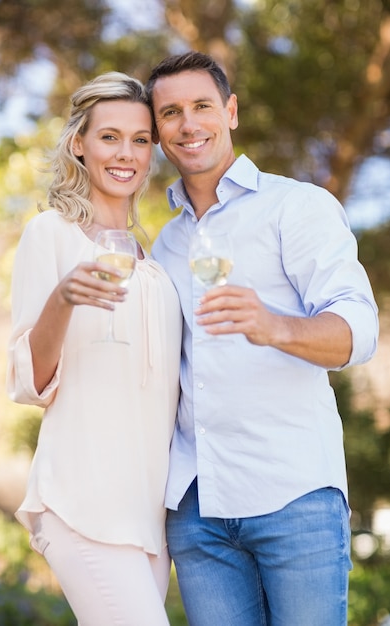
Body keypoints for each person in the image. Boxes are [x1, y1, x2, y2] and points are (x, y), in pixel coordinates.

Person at [145, 51, 379, 626]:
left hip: (293, 494)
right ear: (155, 132)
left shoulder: (295, 206)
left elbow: (360, 331)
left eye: (202, 106)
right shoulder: (163, 246)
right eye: (170, 112)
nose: (188, 124)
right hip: (197, 508)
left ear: (230, 112)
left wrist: (273, 325)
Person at [7, 71, 181, 626]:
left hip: (150, 519)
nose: (126, 153)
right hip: (82, 502)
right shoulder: (50, 234)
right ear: (80, 143)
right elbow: (27, 380)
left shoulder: (157, 263)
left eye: (141, 139)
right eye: (110, 137)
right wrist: (63, 298)